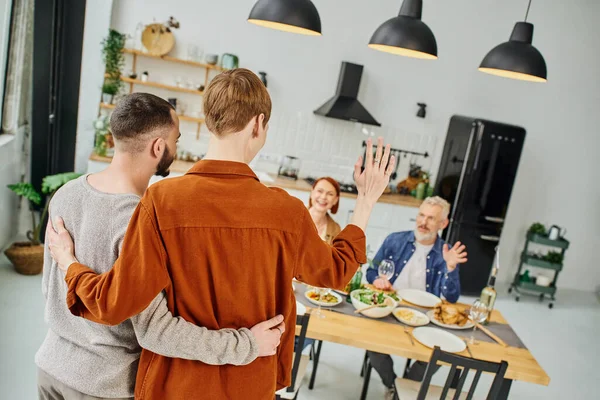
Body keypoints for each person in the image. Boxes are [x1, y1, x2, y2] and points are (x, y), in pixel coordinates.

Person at [46, 68, 396, 399]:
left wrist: (70, 264)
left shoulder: (161, 201)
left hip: (175, 385)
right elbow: (336, 271)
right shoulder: (285, 210)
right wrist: (364, 201)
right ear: (258, 125)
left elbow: (115, 302)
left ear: (210, 122)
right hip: (249, 381)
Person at [36, 93, 284, 400]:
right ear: (158, 147)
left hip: (50, 368)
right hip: (103, 387)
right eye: (176, 139)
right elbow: (158, 332)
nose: (176, 148)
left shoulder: (66, 193)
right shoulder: (139, 221)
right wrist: (248, 345)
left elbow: (51, 290)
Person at [365, 196, 468, 400]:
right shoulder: (394, 240)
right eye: (421, 215)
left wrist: (450, 268)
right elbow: (372, 270)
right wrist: (377, 279)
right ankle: (393, 386)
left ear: (443, 223)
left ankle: (405, 388)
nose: (423, 222)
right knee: (372, 345)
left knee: (438, 355)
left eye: (431, 218)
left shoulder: (446, 253)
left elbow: (451, 298)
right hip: (391, 307)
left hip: (425, 316)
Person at [308, 177, 342, 244]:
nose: (323, 197)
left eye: (330, 194)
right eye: (320, 191)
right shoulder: (293, 217)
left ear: (335, 200)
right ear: (312, 193)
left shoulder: (336, 229)